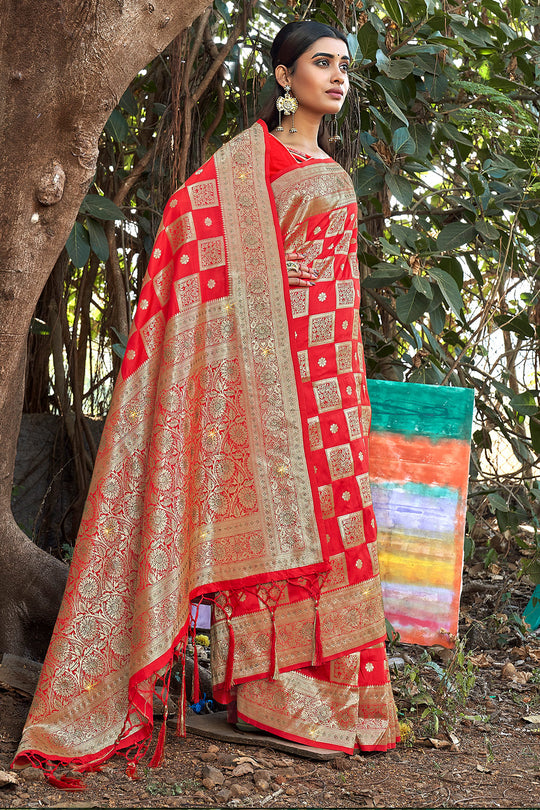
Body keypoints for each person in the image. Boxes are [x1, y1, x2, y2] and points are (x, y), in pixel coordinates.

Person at [14, 20, 399, 778]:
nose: (338, 76)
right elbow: (190, 238)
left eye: (345, 66)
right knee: (266, 529)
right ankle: (262, 697)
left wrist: (345, 395)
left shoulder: (337, 175)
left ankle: (329, 700)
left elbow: (340, 305)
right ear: (284, 78)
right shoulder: (238, 171)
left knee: (329, 531)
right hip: (260, 381)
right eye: (320, 63)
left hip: (328, 390)